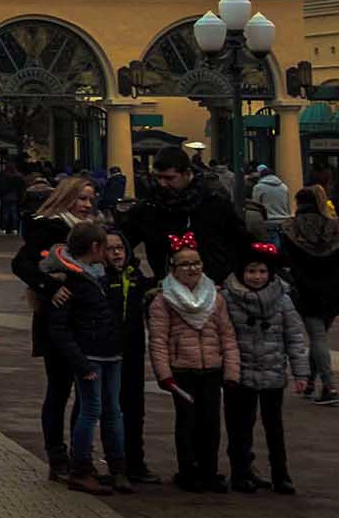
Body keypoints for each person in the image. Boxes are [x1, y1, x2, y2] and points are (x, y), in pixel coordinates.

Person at [10, 175, 99, 481]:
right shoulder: (51, 227)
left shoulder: (95, 231)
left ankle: (80, 453)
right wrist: (48, 286)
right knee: (60, 389)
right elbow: (21, 263)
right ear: (66, 198)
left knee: (85, 391)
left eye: (90, 199)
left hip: (87, 321)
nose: (87, 205)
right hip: (57, 320)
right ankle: (57, 457)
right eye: (81, 198)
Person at [44, 222, 128, 494]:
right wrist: (79, 361)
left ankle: (118, 467)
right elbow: (59, 327)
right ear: (95, 248)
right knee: (91, 410)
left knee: (113, 410)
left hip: (111, 351)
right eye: (106, 247)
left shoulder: (102, 274)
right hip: (90, 354)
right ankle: (81, 467)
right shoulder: (71, 280)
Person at [149, 244, 240, 493]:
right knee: (187, 422)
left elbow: (228, 336)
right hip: (182, 370)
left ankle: (209, 471)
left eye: (197, 263)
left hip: (212, 368)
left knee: (211, 422)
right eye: (186, 264)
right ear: (174, 269)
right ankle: (188, 471)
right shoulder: (163, 300)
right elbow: (158, 340)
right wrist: (164, 374)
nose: (192, 269)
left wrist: (231, 372)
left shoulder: (215, 297)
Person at [220, 244, 309, 494]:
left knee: (275, 428)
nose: (257, 276)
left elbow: (294, 337)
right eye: (251, 271)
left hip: (273, 372)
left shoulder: (283, 299)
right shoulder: (227, 299)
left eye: (262, 271)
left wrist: (300, 373)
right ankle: (240, 472)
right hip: (241, 374)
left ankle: (281, 474)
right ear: (241, 272)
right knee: (240, 427)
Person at [120, 145, 252, 285]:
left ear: (187, 173)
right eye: (158, 177)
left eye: (169, 178)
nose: (162, 184)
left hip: (214, 285)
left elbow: (240, 241)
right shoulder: (147, 208)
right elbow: (123, 243)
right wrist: (137, 275)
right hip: (167, 287)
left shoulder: (215, 203)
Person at [100, 227, 161, 482]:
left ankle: (136, 461)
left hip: (133, 351)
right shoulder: (98, 278)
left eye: (120, 248)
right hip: (104, 353)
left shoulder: (135, 276)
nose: (116, 253)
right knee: (108, 408)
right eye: (110, 249)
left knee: (135, 407)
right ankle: (114, 462)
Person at [278, 187, 339, 404]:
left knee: (317, 336)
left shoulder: (290, 228)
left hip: (304, 287)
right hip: (333, 288)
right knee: (320, 335)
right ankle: (313, 382)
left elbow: (282, 260)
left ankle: (329, 386)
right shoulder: (334, 226)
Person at [249, 165, 291, 233]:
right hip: (285, 222)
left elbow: (255, 207)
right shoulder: (284, 187)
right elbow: (287, 206)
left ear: (261, 176)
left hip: (268, 222)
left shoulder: (258, 187)